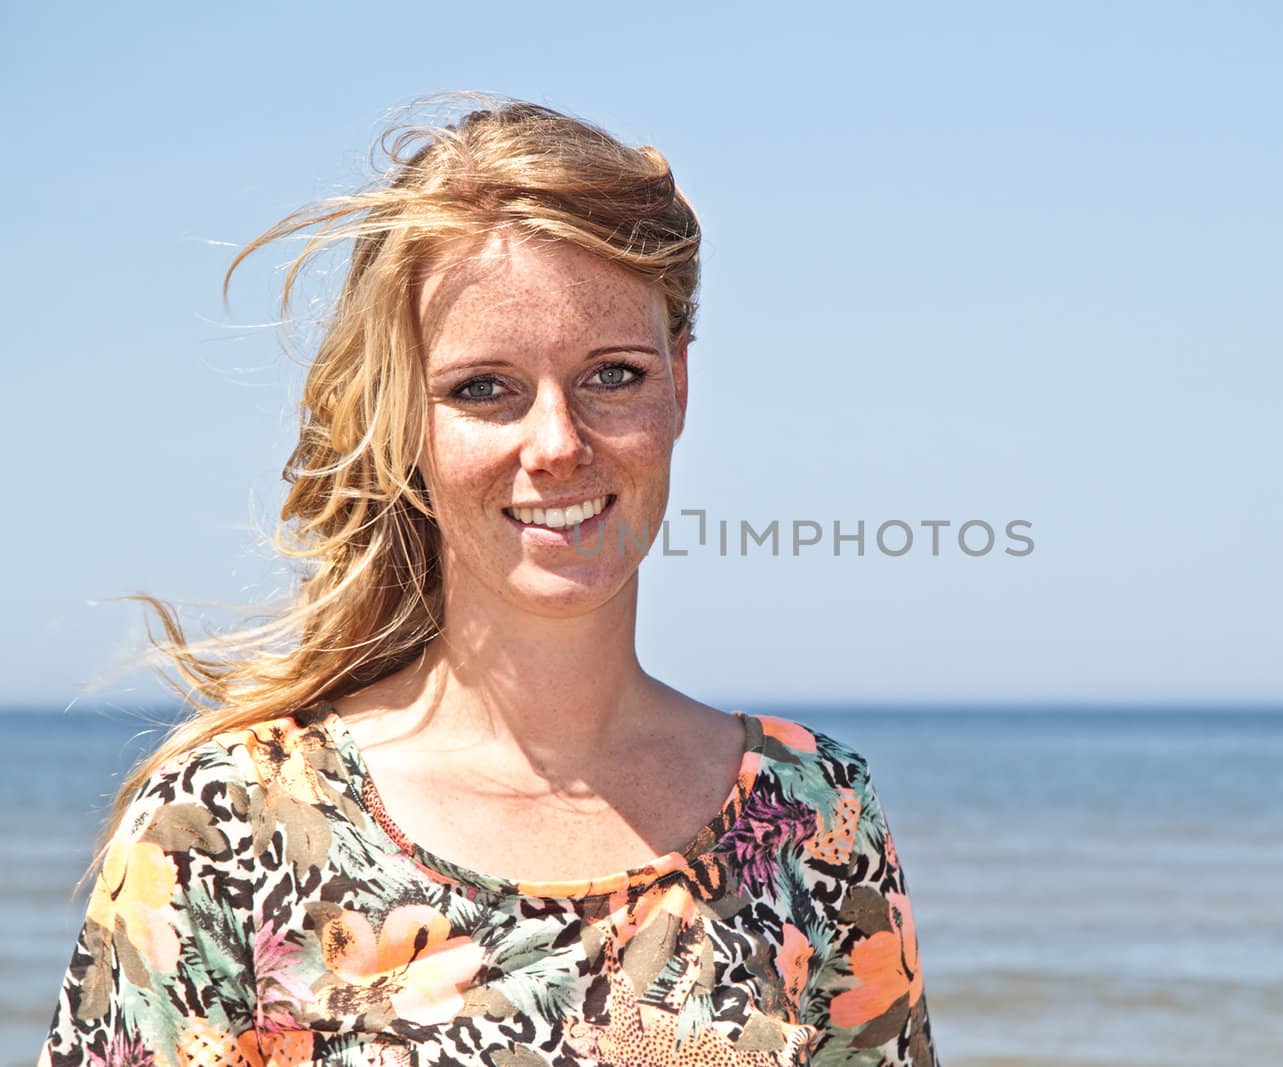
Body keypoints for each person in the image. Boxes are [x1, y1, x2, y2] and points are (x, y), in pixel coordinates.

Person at [41, 96, 938, 1067]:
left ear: (680, 381)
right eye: (483, 388)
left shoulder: (815, 814)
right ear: (402, 422)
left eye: (614, 374)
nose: (555, 443)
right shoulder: (223, 827)